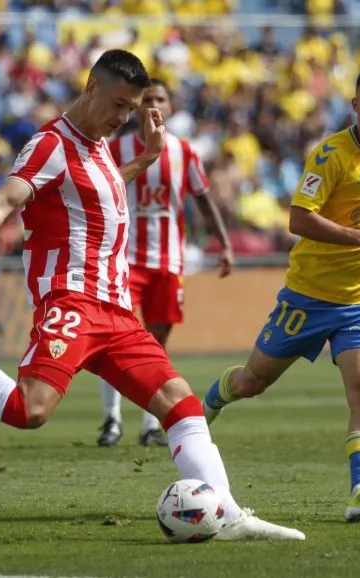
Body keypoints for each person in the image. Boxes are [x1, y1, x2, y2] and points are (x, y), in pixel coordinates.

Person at [0, 49, 304, 542]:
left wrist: (144, 158)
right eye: (119, 104)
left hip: (117, 310)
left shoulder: (101, 146)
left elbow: (98, 189)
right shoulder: (49, 144)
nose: (123, 118)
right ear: (91, 87)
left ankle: (228, 513)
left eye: (132, 109)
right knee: (28, 411)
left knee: (180, 404)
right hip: (71, 302)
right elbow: (5, 198)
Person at [202, 62, 360, 523]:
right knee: (252, 382)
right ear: (355, 105)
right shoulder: (330, 156)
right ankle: (208, 404)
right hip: (308, 298)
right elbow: (298, 219)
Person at [98, 79, 233, 447]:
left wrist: (223, 243)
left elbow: (203, 200)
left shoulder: (184, 152)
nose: (154, 104)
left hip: (169, 261)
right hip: (124, 259)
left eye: (161, 98)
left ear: (170, 107)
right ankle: (111, 420)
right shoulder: (117, 147)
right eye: (148, 99)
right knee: (112, 339)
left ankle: (150, 425)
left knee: (156, 344)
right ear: (137, 107)